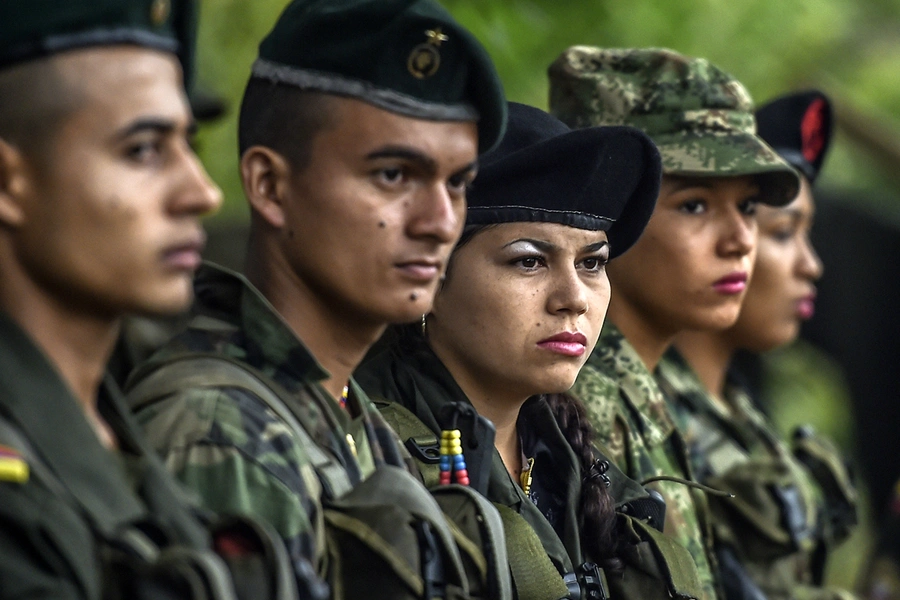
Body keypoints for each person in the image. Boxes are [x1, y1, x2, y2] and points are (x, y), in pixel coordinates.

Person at [124, 0, 511, 598]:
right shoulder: (220, 432)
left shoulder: (342, 407)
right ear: (270, 187)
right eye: (393, 175)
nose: (439, 221)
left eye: (457, 183)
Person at [0, 1, 309, 599]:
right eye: (142, 150)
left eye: (188, 144)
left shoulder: (107, 431)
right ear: (9, 182)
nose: (202, 192)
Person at [358, 102, 704, 600]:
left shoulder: (577, 467)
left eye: (592, 264)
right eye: (529, 262)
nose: (573, 299)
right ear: (432, 272)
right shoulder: (371, 459)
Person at [548, 46, 801, 600]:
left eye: (749, 207)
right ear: (607, 210)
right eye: (695, 205)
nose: (741, 240)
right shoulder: (576, 404)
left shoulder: (645, 388)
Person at [660, 90, 857, 600]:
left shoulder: (742, 415)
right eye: (784, 232)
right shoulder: (631, 418)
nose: (811, 266)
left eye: (749, 212)